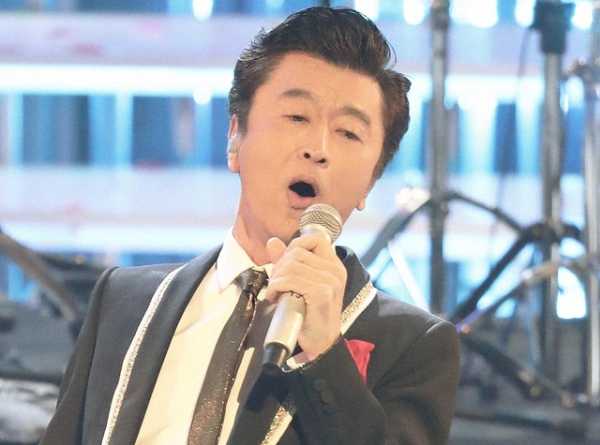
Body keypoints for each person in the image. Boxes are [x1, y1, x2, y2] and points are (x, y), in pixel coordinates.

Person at [41, 6, 460, 445]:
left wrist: (325, 355)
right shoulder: (124, 300)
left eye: (348, 133)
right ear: (234, 137)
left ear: (370, 181)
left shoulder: (415, 345)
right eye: (297, 117)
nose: (318, 149)